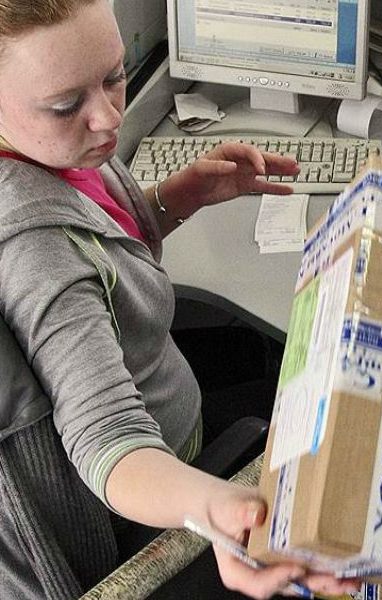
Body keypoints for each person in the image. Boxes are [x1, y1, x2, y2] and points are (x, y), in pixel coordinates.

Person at [0, 1, 357, 598]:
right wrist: (215, 509)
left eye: (115, 76)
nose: (108, 117)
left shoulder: (49, 147)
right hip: (165, 487)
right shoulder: (35, 250)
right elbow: (109, 441)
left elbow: (101, 251)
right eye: (66, 105)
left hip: (175, 406)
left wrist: (175, 198)